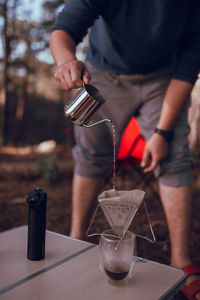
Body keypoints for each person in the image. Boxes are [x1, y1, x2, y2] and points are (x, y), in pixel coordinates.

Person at [50, 1, 200, 299]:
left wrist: (162, 132)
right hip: (104, 74)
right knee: (91, 156)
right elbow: (63, 30)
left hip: (163, 78)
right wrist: (66, 61)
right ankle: (76, 241)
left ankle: (182, 262)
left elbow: (188, 67)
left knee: (176, 157)